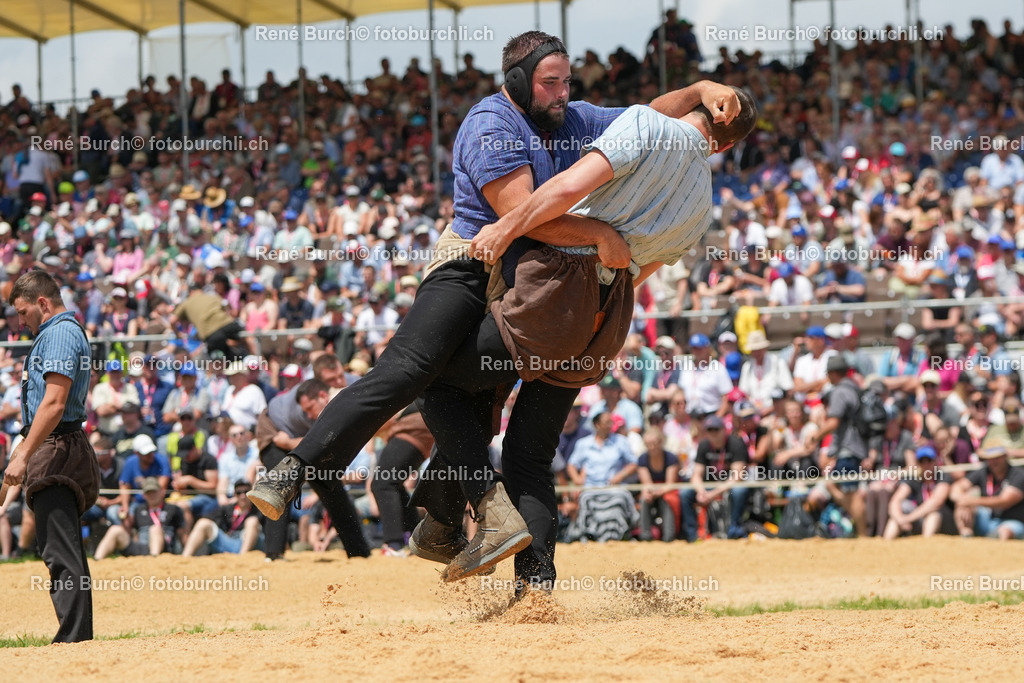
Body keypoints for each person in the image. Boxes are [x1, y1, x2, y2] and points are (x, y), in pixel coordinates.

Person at [250, 32, 741, 576]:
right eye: (549, 82)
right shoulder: (492, 125)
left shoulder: (573, 118)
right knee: (413, 369)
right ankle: (295, 469)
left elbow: (651, 118)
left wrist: (698, 86)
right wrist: (602, 234)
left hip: (529, 274)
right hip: (475, 259)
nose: (561, 93)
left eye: (566, 82)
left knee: (477, 402)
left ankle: (445, 520)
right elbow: (531, 214)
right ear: (516, 81)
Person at [2, 270, 99, 642]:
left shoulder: (58, 333)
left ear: (42, 303)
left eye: (24, 313)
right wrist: (24, 449)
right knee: (62, 547)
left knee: (60, 551)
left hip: (57, 449)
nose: (20, 322)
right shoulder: (59, 332)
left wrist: (25, 453)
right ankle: (76, 636)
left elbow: (55, 403)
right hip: (56, 445)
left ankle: (73, 640)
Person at [951, 442, 1024, 540]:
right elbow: (957, 487)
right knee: (962, 506)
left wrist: (971, 501)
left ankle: (998, 548)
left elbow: (1004, 501)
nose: (993, 461)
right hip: (987, 518)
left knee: (1005, 532)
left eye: (997, 457)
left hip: (1012, 521)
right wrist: (962, 500)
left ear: (1005, 457)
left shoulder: (1018, 474)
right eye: (990, 458)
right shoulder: (984, 471)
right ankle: (966, 537)